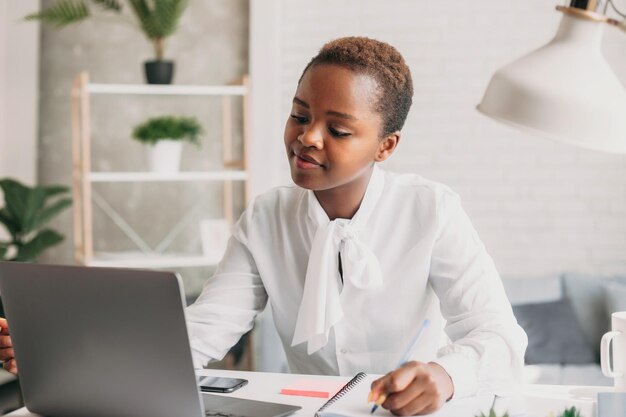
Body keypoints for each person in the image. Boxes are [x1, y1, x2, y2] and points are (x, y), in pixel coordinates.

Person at [0, 37, 527, 416]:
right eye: (300, 115)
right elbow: (201, 332)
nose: (308, 138)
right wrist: (66, 358)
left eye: (338, 129)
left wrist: (446, 375)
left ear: (385, 146)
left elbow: (500, 337)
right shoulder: (266, 217)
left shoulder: (431, 211)